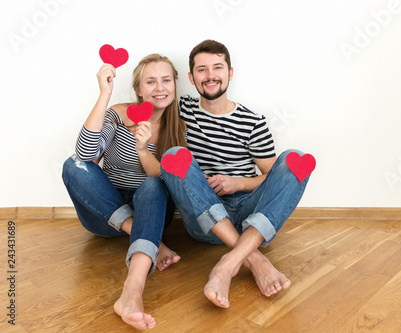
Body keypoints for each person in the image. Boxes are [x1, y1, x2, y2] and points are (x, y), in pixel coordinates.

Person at [160, 40, 313, 308]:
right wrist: (110, 102)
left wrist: (238, 182)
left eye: (217, 68)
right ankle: (255, 259)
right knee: (173, 154)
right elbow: (147, 99)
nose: (210, 76)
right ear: (190, 77)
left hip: (249, 218)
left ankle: (227, 264)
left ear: (230, 73)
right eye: (202, 70)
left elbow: (273, 175)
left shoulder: (253, 122)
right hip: (205, 222)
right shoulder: (180, 110)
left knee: (293, 160)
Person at [62, 53, 186, 329]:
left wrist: (142, 150)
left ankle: (132, 292)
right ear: (139, 90)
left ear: (175, 85)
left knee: (154, 184)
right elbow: (85, 154)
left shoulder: (179, 128)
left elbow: (167, 180)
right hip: (104, 210)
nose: (160, 88)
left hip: (151, 208)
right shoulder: (119, 113)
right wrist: (104, 94)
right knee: (72, 164)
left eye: (166, 80)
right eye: (150, 82)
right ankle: (150, 241)